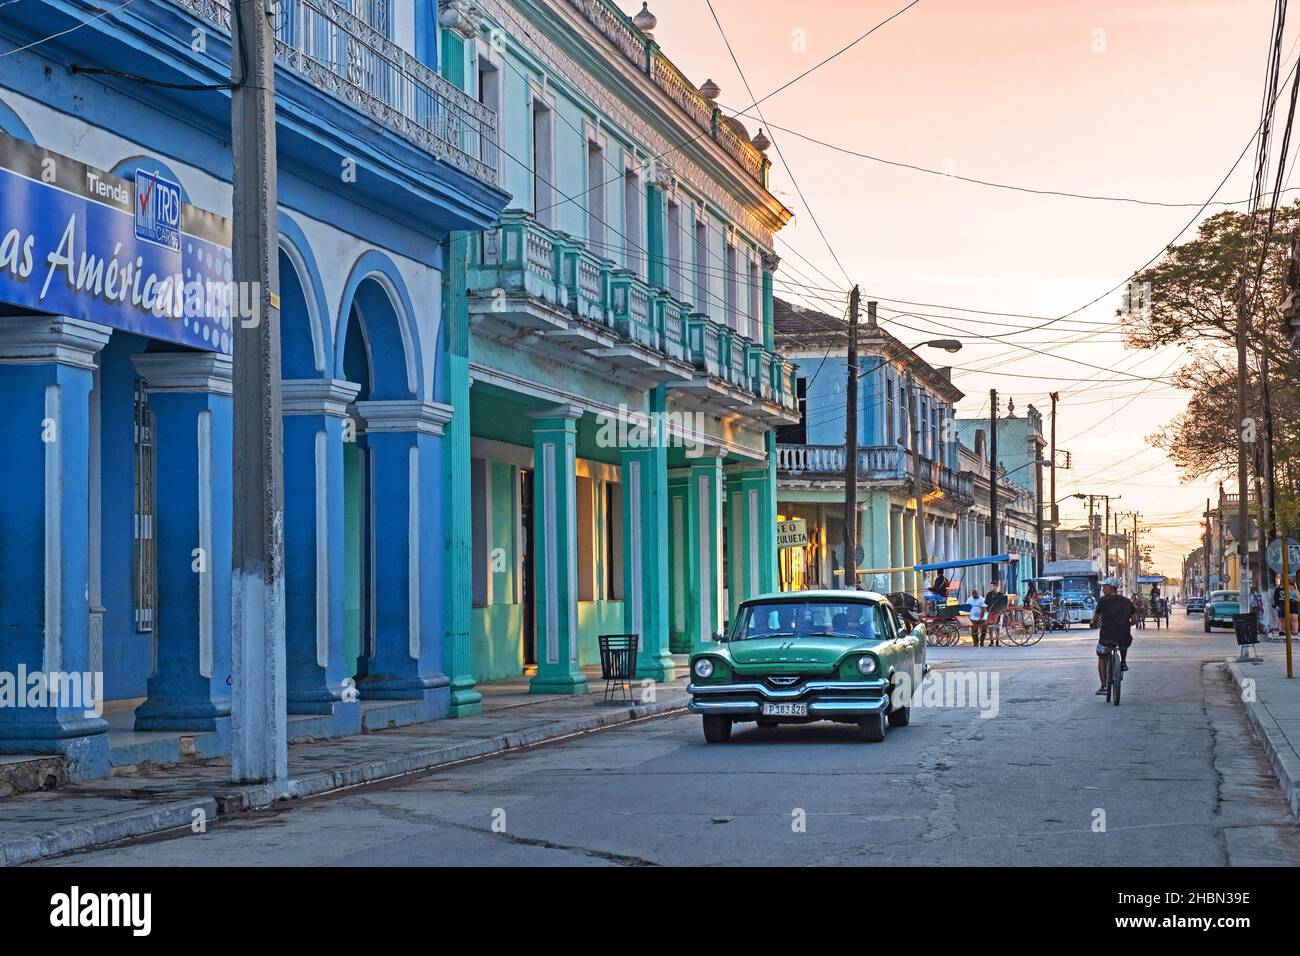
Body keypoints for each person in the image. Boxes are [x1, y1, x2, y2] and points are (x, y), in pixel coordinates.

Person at [1092, 576, 1138, 695]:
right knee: (1123, 643)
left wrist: (1093, 623)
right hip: (1124, 636)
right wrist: (1125, 624)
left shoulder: (1103, 600)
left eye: (1104, 586)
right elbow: (1134, 620)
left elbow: (1096, 618)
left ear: (1112, 588)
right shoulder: (1127, 601)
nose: (1102, 589)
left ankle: (1103, 686)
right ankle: (1123, 662)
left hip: (1106, 637)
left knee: (1101, 657)